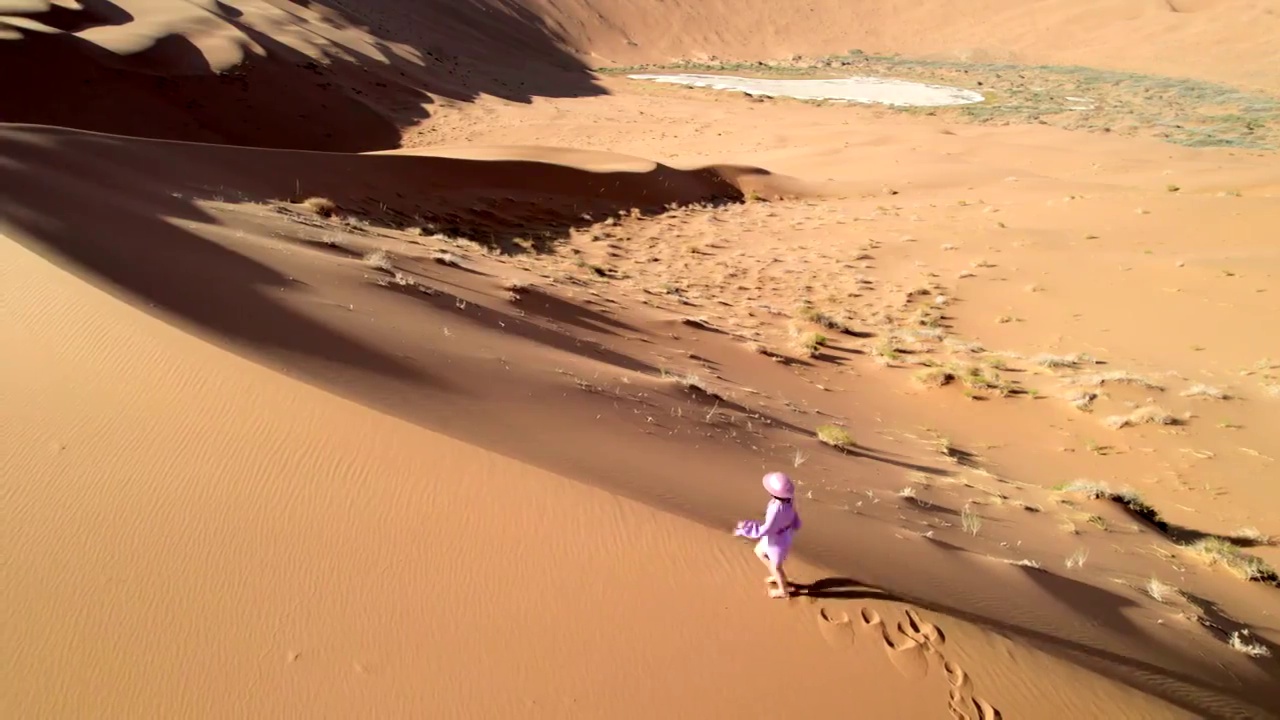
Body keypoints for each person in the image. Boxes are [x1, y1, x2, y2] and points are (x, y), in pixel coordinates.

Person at [733, 471, 802, 598]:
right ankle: (777, 576)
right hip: (781, 535)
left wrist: (746, 527)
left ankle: (783, 591)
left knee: (776, 567)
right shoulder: (790, 500)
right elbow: (795, 516)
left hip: (777, 541)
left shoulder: (776, 509)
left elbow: (765, 529)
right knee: (759, 551)